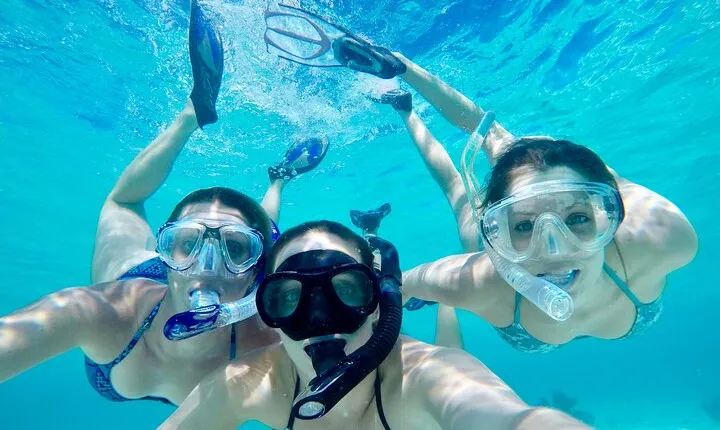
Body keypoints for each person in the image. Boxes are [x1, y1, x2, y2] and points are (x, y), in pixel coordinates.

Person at [261, 4, 699, 352]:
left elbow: (594, 174)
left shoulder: (663, 237)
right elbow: (391, 285)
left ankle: (410, 87)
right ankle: (406, 110)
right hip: (500, 261)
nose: (555, 249)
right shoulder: (480, 282)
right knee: (461, 184)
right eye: (523, 226)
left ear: (611, 217)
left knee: (501, 142)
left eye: (579, 219)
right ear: (496, 231)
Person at [0, 0, 327, 407]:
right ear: (165, 250)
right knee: (122, 203)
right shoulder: (106, 311)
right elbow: (122, 205)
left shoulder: (266, 336)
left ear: (254, 273)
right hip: (141, 290)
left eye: (235, 249)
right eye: (187, 242)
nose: (208, 266)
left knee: (266, 228)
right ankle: (191, 114)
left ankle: (278, 179)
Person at [158, 220, 592, 429]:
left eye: (346, 289)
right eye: (289, 297)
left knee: (452, 351)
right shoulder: (249, 383)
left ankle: (442, 303)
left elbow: (505, 419)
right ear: (268, 315)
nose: (320, 319)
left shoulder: (428, 376)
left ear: (380, 303)